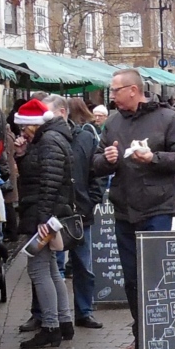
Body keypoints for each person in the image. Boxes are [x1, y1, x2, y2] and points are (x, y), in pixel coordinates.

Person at [92, 69, 175, 349]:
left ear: (133, 90)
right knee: (132, 278)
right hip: (124, 210)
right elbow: (95, 163)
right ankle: (141, 334)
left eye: (115, 90)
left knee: (156, 276)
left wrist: (154, 158)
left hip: (157, 208)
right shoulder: (112, 122)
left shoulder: (167, 118)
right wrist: (106, 160)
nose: (111, 96)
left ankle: (160, 336)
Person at [14, 98, 76, 349]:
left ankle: (50, 327)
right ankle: (64, 321)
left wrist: (42, 220)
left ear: (33, 124)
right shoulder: (53, 138)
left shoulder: (48, 141)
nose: (21, 133)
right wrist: (22, 154)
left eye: (23, 128)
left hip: (43, 213)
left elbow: (48, 181)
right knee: (51, 268)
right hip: (49, 212)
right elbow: (41, 174)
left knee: (39, 270)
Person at [66, 96, 105, 329]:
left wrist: (93, 200)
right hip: (58, 211)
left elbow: (97, 171)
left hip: (81, 209)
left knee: (83, 264)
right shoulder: (49, 138)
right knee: (55, 266)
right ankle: (48, 314)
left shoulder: (86, 137)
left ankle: (84, 311)